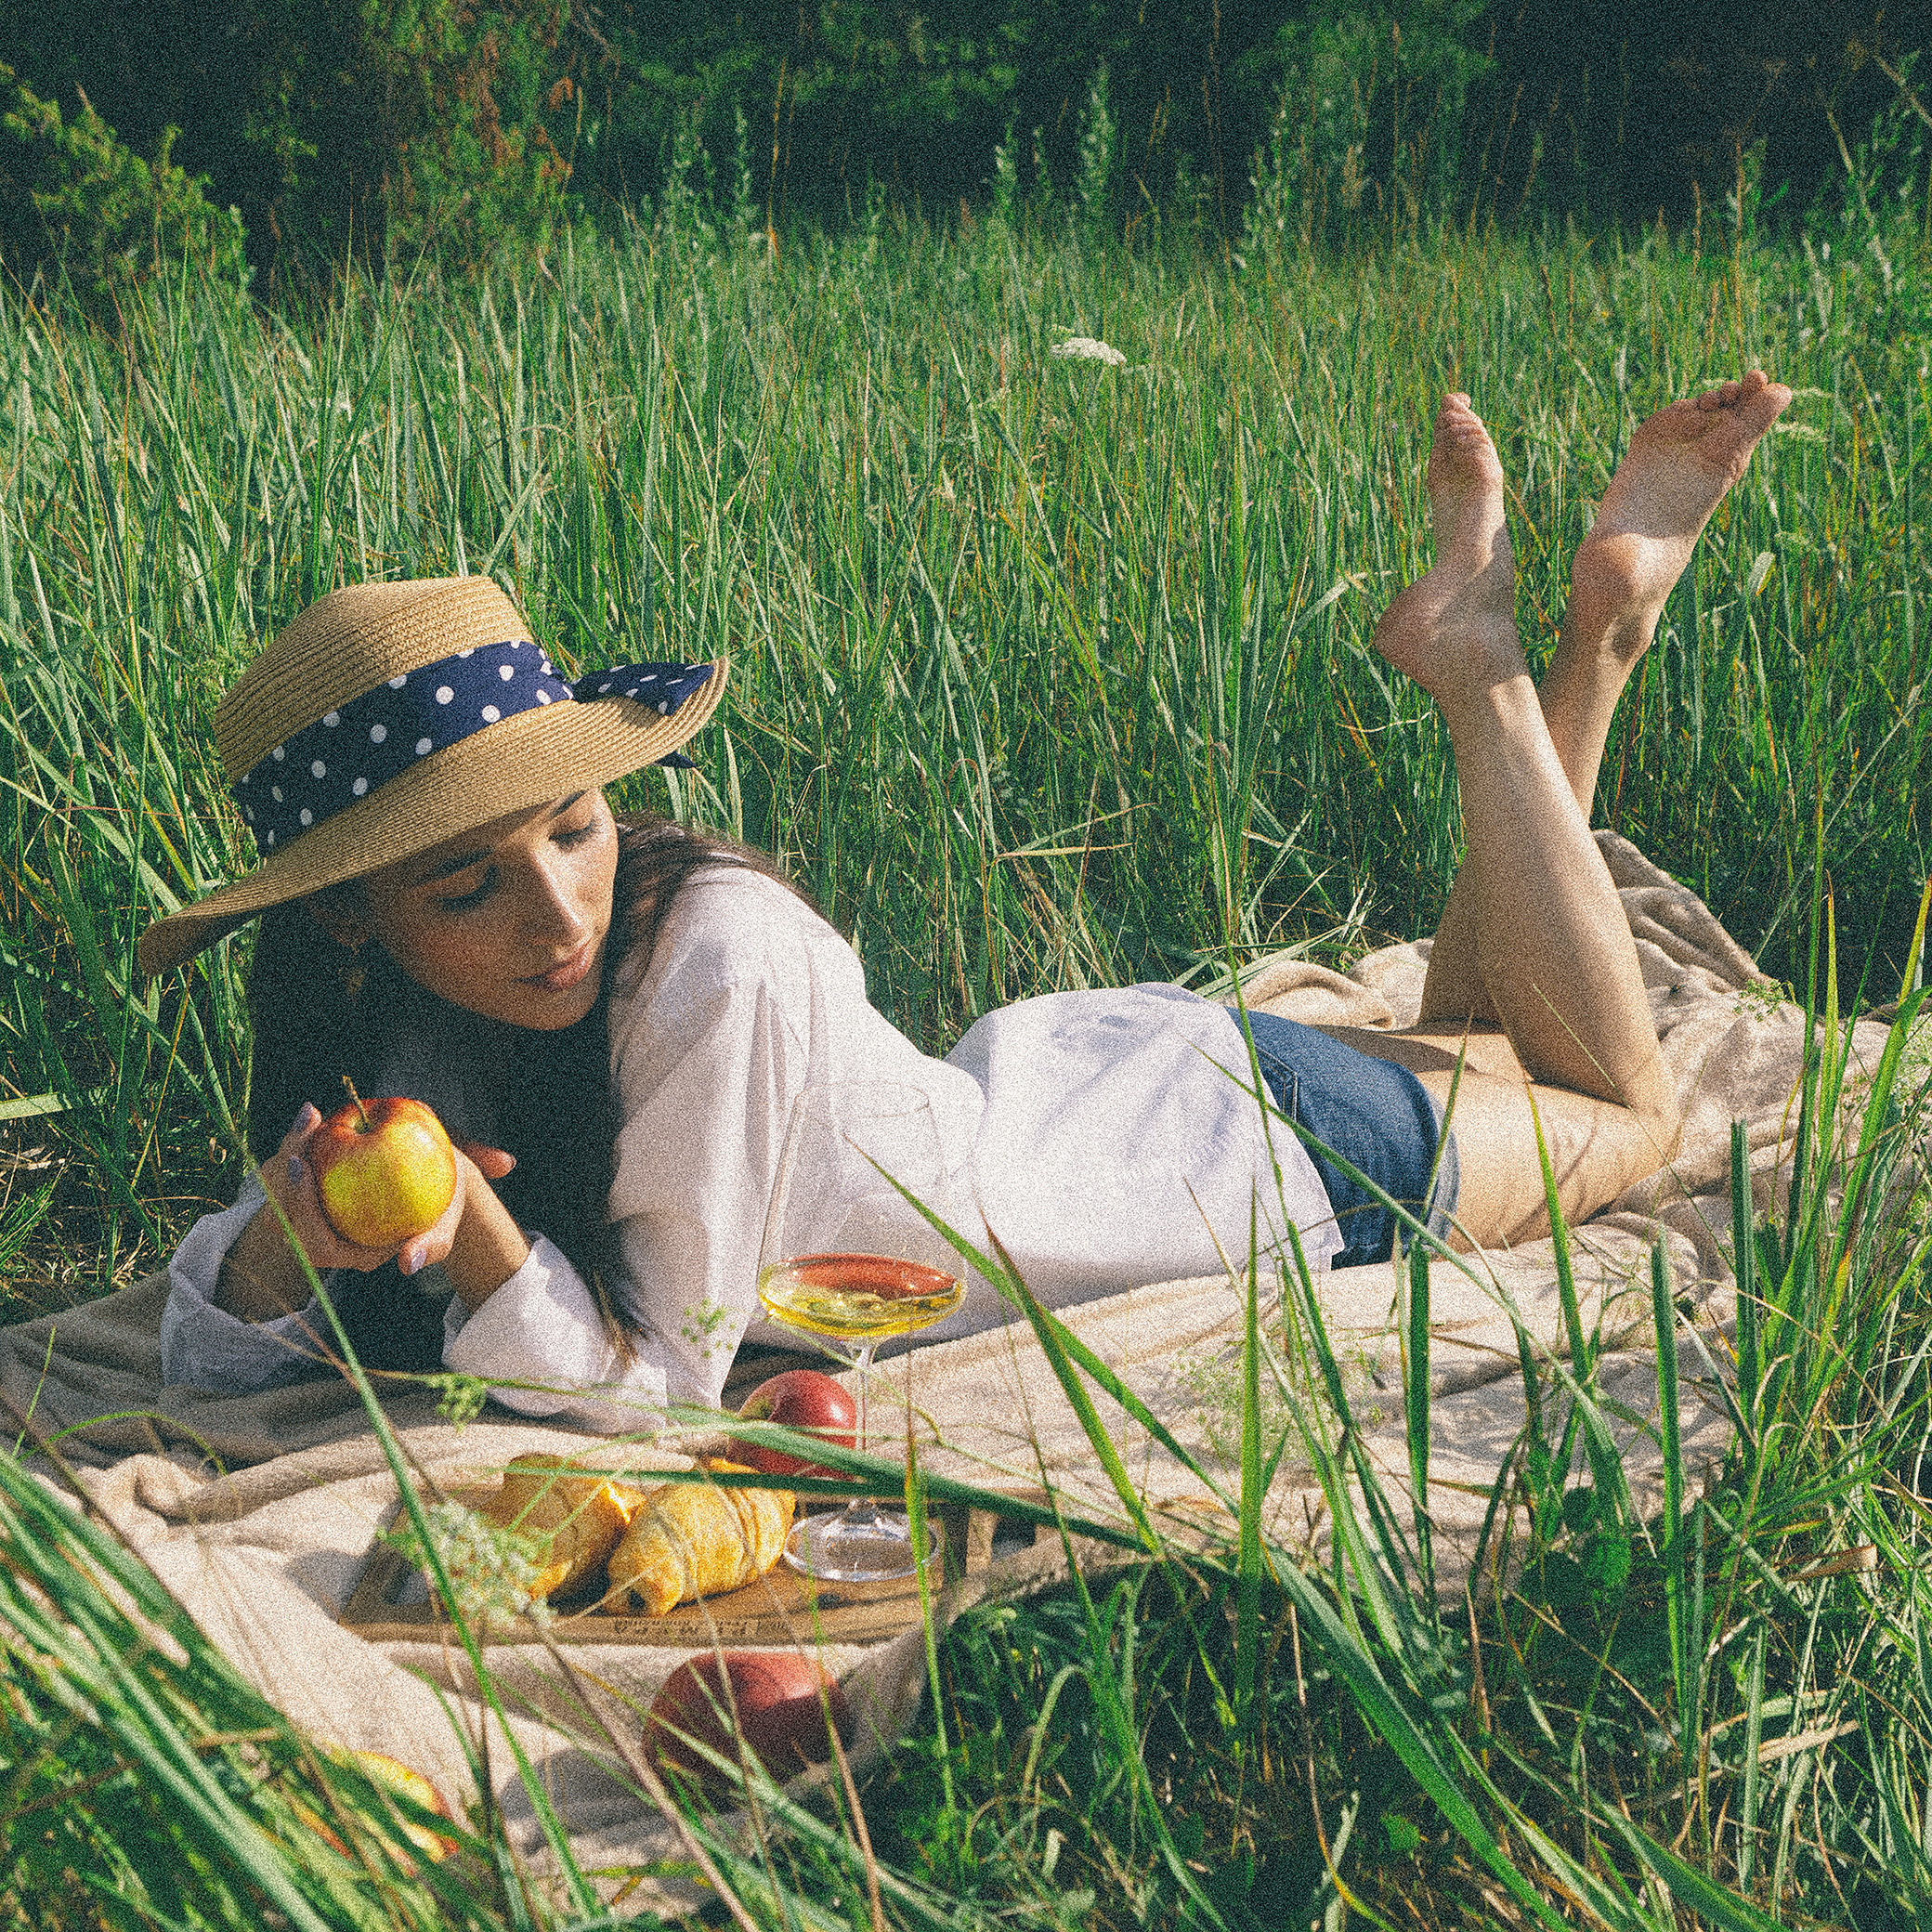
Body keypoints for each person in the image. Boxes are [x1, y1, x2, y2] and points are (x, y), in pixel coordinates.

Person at [142, 372, 1792, 1432]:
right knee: (1481, 1031)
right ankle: (1604, 626)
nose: (557, 911)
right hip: (1120, 1092)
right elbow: (208, 1340)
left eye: (575, 830)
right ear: (351, 920)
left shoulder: (715, 962)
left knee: (1621, 1109)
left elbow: (657, 1397)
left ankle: (1494, 672)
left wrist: (489, 1255)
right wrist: (293, 1245)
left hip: (1244, 1175)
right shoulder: (392, 1032)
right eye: (467, 883)